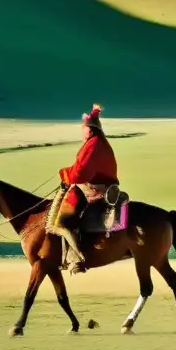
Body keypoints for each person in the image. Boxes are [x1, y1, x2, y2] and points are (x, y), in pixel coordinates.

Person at [53, 104, 119, 272]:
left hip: (94, 189)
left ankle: (77, 257)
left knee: (63, 221)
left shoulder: (93, 145)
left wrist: (65, 173)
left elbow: (80, 172)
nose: (82, 132)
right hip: (104, 186)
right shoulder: (99, 142)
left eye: (83, 128)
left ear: (90, 129)